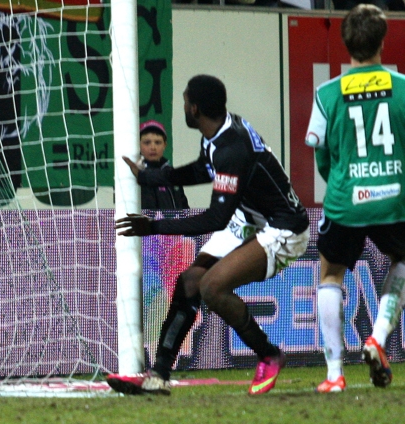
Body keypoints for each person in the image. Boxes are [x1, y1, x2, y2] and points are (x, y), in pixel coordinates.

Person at [108, 74, 310, 396]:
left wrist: (154, 226)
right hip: (250, 217)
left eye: (186, 100)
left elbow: (216, 218)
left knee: (212, 287)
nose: (184, 105)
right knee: (189, 282)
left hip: (284, 227)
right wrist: (151, 177)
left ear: (195, 108)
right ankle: (158, 375)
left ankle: (269, 355)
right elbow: (204, 169)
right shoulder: (219, 132)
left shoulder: (232, 149)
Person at [305, 4, 405, 393]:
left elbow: (321, 153)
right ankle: (378, 337)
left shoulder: (326, 93)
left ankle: (334, 375)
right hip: (394, 198)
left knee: (330, 275)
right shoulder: (402, 88)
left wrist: (343, 185)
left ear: (345, 43)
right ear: (383, 40)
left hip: (346, 200)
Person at [138, 120, 189, 210]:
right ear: (138, 145)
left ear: (164, 145)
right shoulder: (136, 174)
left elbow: (185, 210)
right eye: (147, 142)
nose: (153, 147)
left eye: (157, 142)